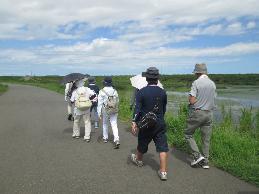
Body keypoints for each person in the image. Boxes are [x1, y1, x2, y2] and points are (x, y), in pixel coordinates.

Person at [131, 67, 169, 181]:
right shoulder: (163, 92)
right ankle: (163, 172)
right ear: (157, 79)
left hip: (145, 124)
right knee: (162, 147)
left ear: (146, 78)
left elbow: (137, 109)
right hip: (159, 123)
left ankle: (139, 160)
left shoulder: (141, 92)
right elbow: (164, 109)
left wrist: (134, 122)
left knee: (142, 142)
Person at [184, 63, 216, 169]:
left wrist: (195, 100)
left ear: (197, 72)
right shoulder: (212, 84)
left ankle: (197, 156)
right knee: (206, 139)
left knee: (188, 134)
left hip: (198, 113)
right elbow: (213, 99)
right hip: (209, 113)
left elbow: (192, 100)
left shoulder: (196, 83)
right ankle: (205, 161)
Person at [97, 76, 120, 149]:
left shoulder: (102, 91)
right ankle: (116, 139)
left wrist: (99, 113)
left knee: (105, 123)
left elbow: (99, 103)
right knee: (114, 124)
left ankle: (105, 138)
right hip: (114, 109)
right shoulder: (114, 91)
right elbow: (117, 101)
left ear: (104, 83)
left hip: (105, 109)